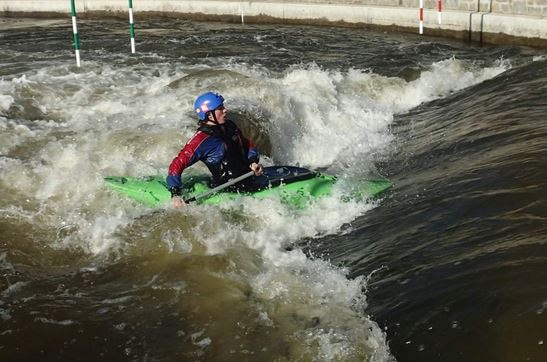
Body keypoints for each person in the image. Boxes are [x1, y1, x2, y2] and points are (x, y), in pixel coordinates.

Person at [167, 91, 263, 207]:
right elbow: (177, 164)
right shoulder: (200, 140)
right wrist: (175, 193)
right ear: (209, 115)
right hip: (228, 189)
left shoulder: (230, 126)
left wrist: (252, 162)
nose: (225, 110)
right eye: (220, 108)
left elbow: (247, 144)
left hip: (248, 178)